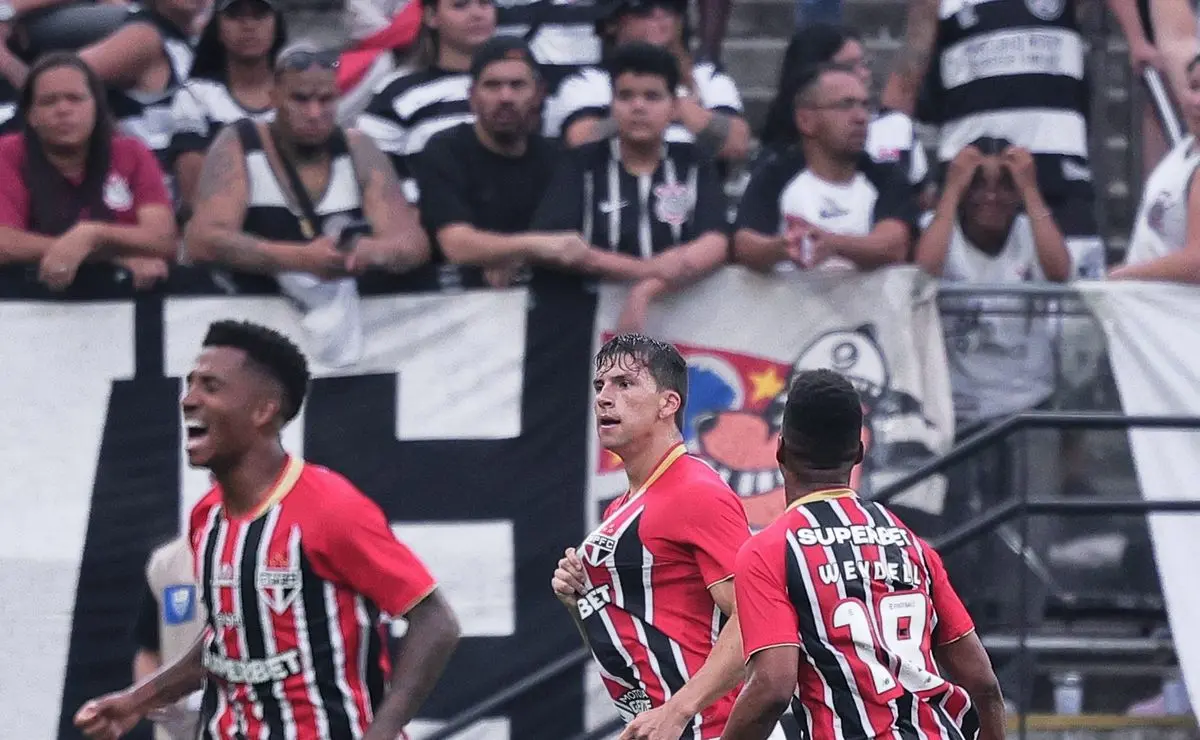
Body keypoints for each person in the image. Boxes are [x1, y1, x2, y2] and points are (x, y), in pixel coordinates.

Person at [74, 319, 462, 740]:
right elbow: (229, 642)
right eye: (189, 385)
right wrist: (138, 700)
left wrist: (381, 733)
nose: (188, 400)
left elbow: (435, 621)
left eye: (211, 386)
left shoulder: (330, 507)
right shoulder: (207, 518)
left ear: (264, 410)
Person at [718, 369, 1006, 740]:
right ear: (858, 452)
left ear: (781, 449)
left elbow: (772, 687)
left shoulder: (770, 550)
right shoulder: (909, 543)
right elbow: (984, 685)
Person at [552, 334, 785, 740]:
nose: (605, 398)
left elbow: (755, 617)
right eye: (600, 385)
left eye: (625, 384)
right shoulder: (620, 509)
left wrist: (678, 710)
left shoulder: (694, 490)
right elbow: (624, 643)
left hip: (712, 729)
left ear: (668, 403)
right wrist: (577, 602)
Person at [184, 41, 429, 286]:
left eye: (326, 100)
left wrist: (372, 251)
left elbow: (412, 243)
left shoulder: (358, 148)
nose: (314, 114)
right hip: (255, 310)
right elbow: (203, 241)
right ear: (274, 96)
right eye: (300, 100)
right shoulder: (239, 144)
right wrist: (301, 258)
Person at [532, 43, 730, 332]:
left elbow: (716, 243)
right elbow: (559, 245)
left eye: (652, 96)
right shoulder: (581, 164)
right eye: (626, 96)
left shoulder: (693, 162)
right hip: (586, 330)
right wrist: (646, 270)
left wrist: (644, 291)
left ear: (674, 106)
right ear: (612, 105)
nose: (638, 107)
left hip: (691, 330)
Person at [411, 36, 587, 289]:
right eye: (492, 85)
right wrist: (529, 250)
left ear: (539, 94)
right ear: (472, 97)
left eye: (517, 85)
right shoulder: (445, 150)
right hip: (455, 303)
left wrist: (509, 254)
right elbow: (457, 245)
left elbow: (569, 242)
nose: (505, 97)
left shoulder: (557, 158)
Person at [0, 53, 175, 295]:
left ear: (96, 106)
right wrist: (108, 256)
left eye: (75, 99)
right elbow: (4, 243)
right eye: (49, 101)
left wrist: (93, 234)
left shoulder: (132, 153)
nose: (63, 110)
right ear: (31, 115)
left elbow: (161, 239)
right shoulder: (7, 153)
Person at [734, 63, 916, 273]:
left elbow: (894, 246)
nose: (861, 117)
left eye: (865, 106)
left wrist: (831, 244)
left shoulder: (886, 177)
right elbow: (744, 244)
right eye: (845, 106)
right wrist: (782, 247)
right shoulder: (775, 175)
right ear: (805, 120)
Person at [550, 0, 749, 168]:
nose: (659, 14)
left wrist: (673, 108)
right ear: (612, 22)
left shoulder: (707, 77)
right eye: (644, 7)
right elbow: (580, 140)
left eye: (670, 5)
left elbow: (737, 143)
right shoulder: (587, 82)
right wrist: (664, 110)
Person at [758, 17, 937, 198]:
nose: (864, 74)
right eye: (850, 66)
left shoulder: (896, 125)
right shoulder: (782, 155)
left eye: (865, 64)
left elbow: (922, 198)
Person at [0, 0, 200, 160]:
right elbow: (55, 83)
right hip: (137, 182)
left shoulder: (199, 42)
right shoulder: (143, 37)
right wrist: (4, 57)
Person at [356, 0, 496, 202]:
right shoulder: (397, 90)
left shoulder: (518, 85)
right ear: (431, 16)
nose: (477, 14)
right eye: (460, 5)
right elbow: (371, 171)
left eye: (485, 3)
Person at [170, 0, 287, 210]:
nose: (248, 25)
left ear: (276, 24)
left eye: (260, 15)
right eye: (235, 15)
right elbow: (194, 196)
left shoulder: (298, 96)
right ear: (218, 26)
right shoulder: (195, 96)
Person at [1111, 52, 1200, 282]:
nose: (1197, 101)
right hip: (1150, 311)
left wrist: (1127, 274)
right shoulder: (1182, 151)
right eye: (1194, 87)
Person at [132, 536, 207, 740]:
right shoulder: (167, 563)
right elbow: (149, 650)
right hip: (183, 730)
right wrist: (154, 704)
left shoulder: (279, 554)